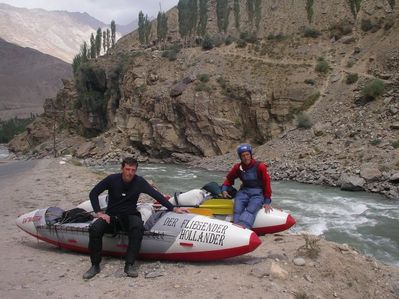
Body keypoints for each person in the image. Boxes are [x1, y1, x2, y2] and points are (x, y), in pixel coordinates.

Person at [83, 157, 188, 280]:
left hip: (130, 215)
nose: (130, 173)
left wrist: (173, 208)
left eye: (133, 170)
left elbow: (157, 195)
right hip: (111, 216)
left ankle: (129, 264)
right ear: (122, 168)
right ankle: (95, 265)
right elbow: (93, 193)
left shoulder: (139, 181)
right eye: (127, 169)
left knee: (137, 226)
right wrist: (99, 213)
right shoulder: (112, 179)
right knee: (95, 228)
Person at [221, 143, 272, 229]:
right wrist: (224, 189)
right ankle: (235, 228)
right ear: (240, 157)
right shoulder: (238, 167)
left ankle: (244, 228)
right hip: (244, 191)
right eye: (243, 155)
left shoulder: (260, 166)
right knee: (237, 209)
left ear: (250, 155)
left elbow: (267, 183)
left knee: (250, 210)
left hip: (258, 192)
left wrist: (267, 201)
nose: (245, 157)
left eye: (247, 154)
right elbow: (229, 179)